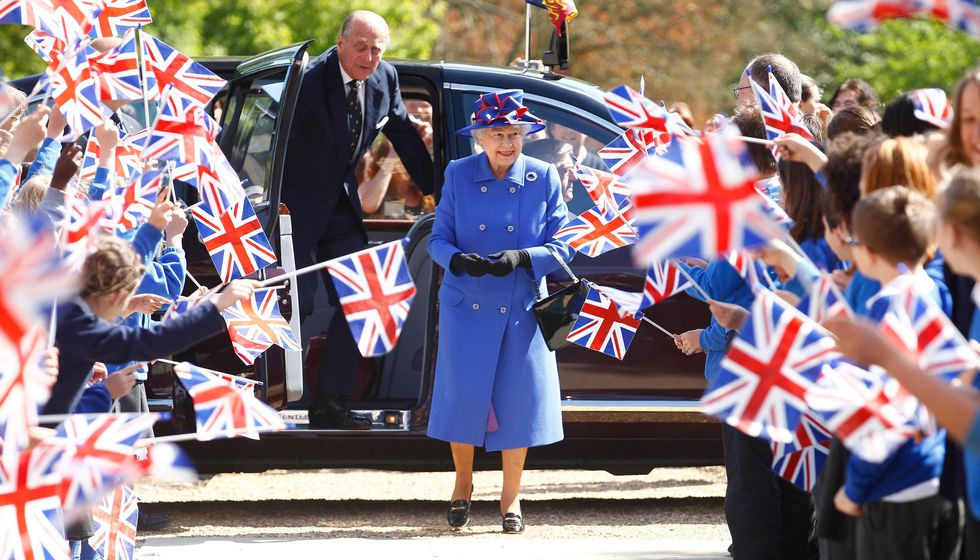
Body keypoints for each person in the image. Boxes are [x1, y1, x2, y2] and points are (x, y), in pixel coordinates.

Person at [426, 89, 573, 534]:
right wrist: (457, 260)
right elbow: (438, 238)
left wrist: (524, 257)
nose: (507, 143)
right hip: (466, 302)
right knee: (464, 397)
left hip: (520, 306)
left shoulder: (543, 176)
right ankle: (462, 485)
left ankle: (512, 498)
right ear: (480, 138)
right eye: (497, 134)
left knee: (518, 402)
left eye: (514, 134)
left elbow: (565, 243)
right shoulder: (458, 173)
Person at [281, 10, 434, 429]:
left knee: (368, 295)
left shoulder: (385, 79)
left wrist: (438, 190)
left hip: (340, 208)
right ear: (341, 42)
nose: (369, 57)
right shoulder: (309, 82)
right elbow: (273, 149)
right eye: (361, 47)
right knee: (297, 302)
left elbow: (403, 134)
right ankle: (266, 396)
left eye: (377, 48)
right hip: (292, 210)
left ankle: (328, 402)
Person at [832, 187, 951, 560]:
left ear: (867, 251)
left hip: (892, 485)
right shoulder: (935, 290)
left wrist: (854, 488)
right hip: (935, 473)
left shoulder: (888, 306)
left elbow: (887, 410)